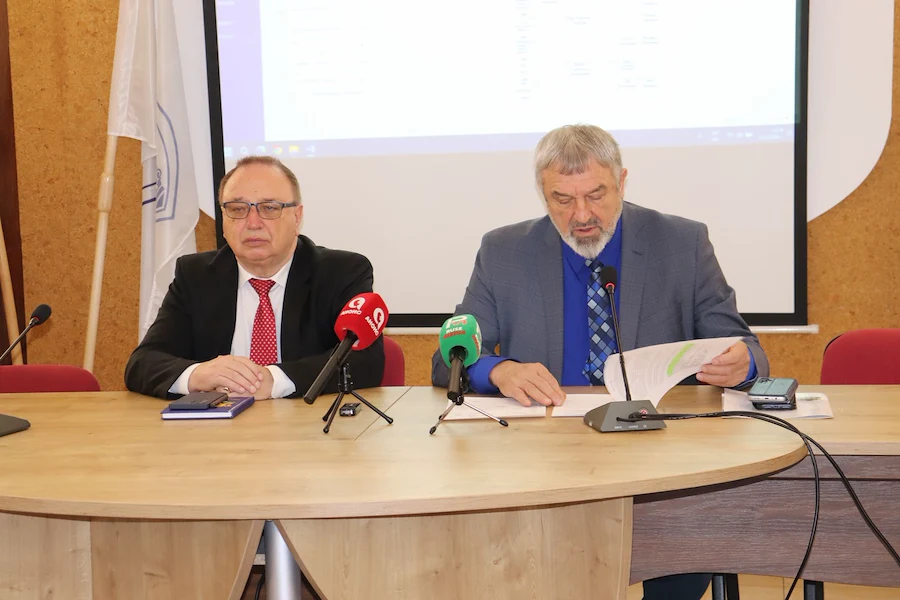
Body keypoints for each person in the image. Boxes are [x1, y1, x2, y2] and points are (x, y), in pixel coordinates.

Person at [432, 124, 768, 600]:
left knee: (684, 556)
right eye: (562, 199)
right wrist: (500, 370)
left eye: (596, 195)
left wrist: (742, 364)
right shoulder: (503, 251)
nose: (582, 215)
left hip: (661, 458)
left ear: (622, 182)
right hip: (546, 463)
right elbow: (449, 358)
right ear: (543, 193)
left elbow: (743, 345)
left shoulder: (682, 243)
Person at [126, 156, 384, 400]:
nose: (252, 223)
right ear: (224, 219)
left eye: (269, 208)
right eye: (237, 209)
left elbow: (366, 362)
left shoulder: (341, 272)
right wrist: (197, 375)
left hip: (306, 425)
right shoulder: (196, 276)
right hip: (217, 427)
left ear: (297, 217)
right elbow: (143, 362)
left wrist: (272, 380)